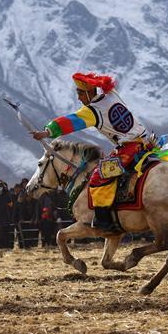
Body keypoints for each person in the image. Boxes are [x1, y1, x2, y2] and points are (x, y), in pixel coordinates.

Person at [32, 72, 154, 231]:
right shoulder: (111, 95)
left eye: (80, 93)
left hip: (130, 148)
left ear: (90, 93)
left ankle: (104, 222)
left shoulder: (92, 111)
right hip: (148, 142)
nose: (79, 98)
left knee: (98, 176)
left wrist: (47, 132)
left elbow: (71, 121)